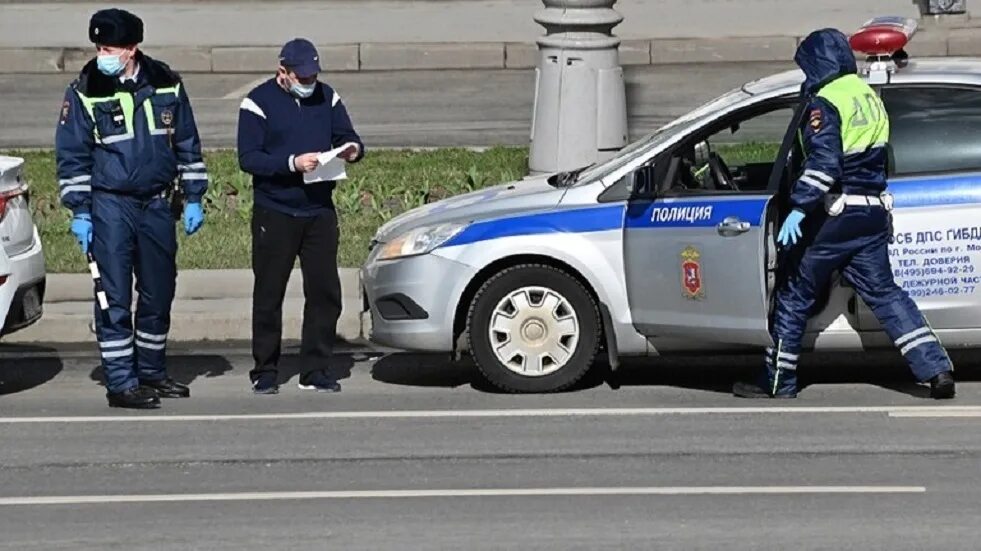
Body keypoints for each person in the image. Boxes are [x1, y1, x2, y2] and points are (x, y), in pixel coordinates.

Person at [732, 28, 955, 400]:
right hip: (870, 216)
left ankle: (777, 382)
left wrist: (799, 209)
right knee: (886, 295)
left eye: (807, 68)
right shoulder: (867, 95)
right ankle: (936, 370)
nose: (806, 76)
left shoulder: (825, 102)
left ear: (818, 63)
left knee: (793, 295)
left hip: (833, 216)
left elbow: (824, 163)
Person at [56, 8, 208, 409]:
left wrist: (193, 196)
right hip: (111, 206)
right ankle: (121, 381)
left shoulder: (166, 84)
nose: (101, 54)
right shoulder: (85, 89)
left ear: (131, 49)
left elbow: (188, 143)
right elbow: (72, 155)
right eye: (99, 46)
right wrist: (80, 211)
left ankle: (152, 372)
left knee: (159, 292)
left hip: (157, 204)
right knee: (114, 297)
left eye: (109, 47)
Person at [237, 38, 364, 395]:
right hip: (275, 211)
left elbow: (348, 135)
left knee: (325, 292)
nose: (309, 84)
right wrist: (291, 164)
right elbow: (249, 158)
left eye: (312, 77)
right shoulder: (257, 103)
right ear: (284, 72)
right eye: (302, 77)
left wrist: (353, 149)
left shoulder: (328, 96)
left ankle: (316, 368)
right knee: (269, 293)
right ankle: (265, 368)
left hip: (319, 210)